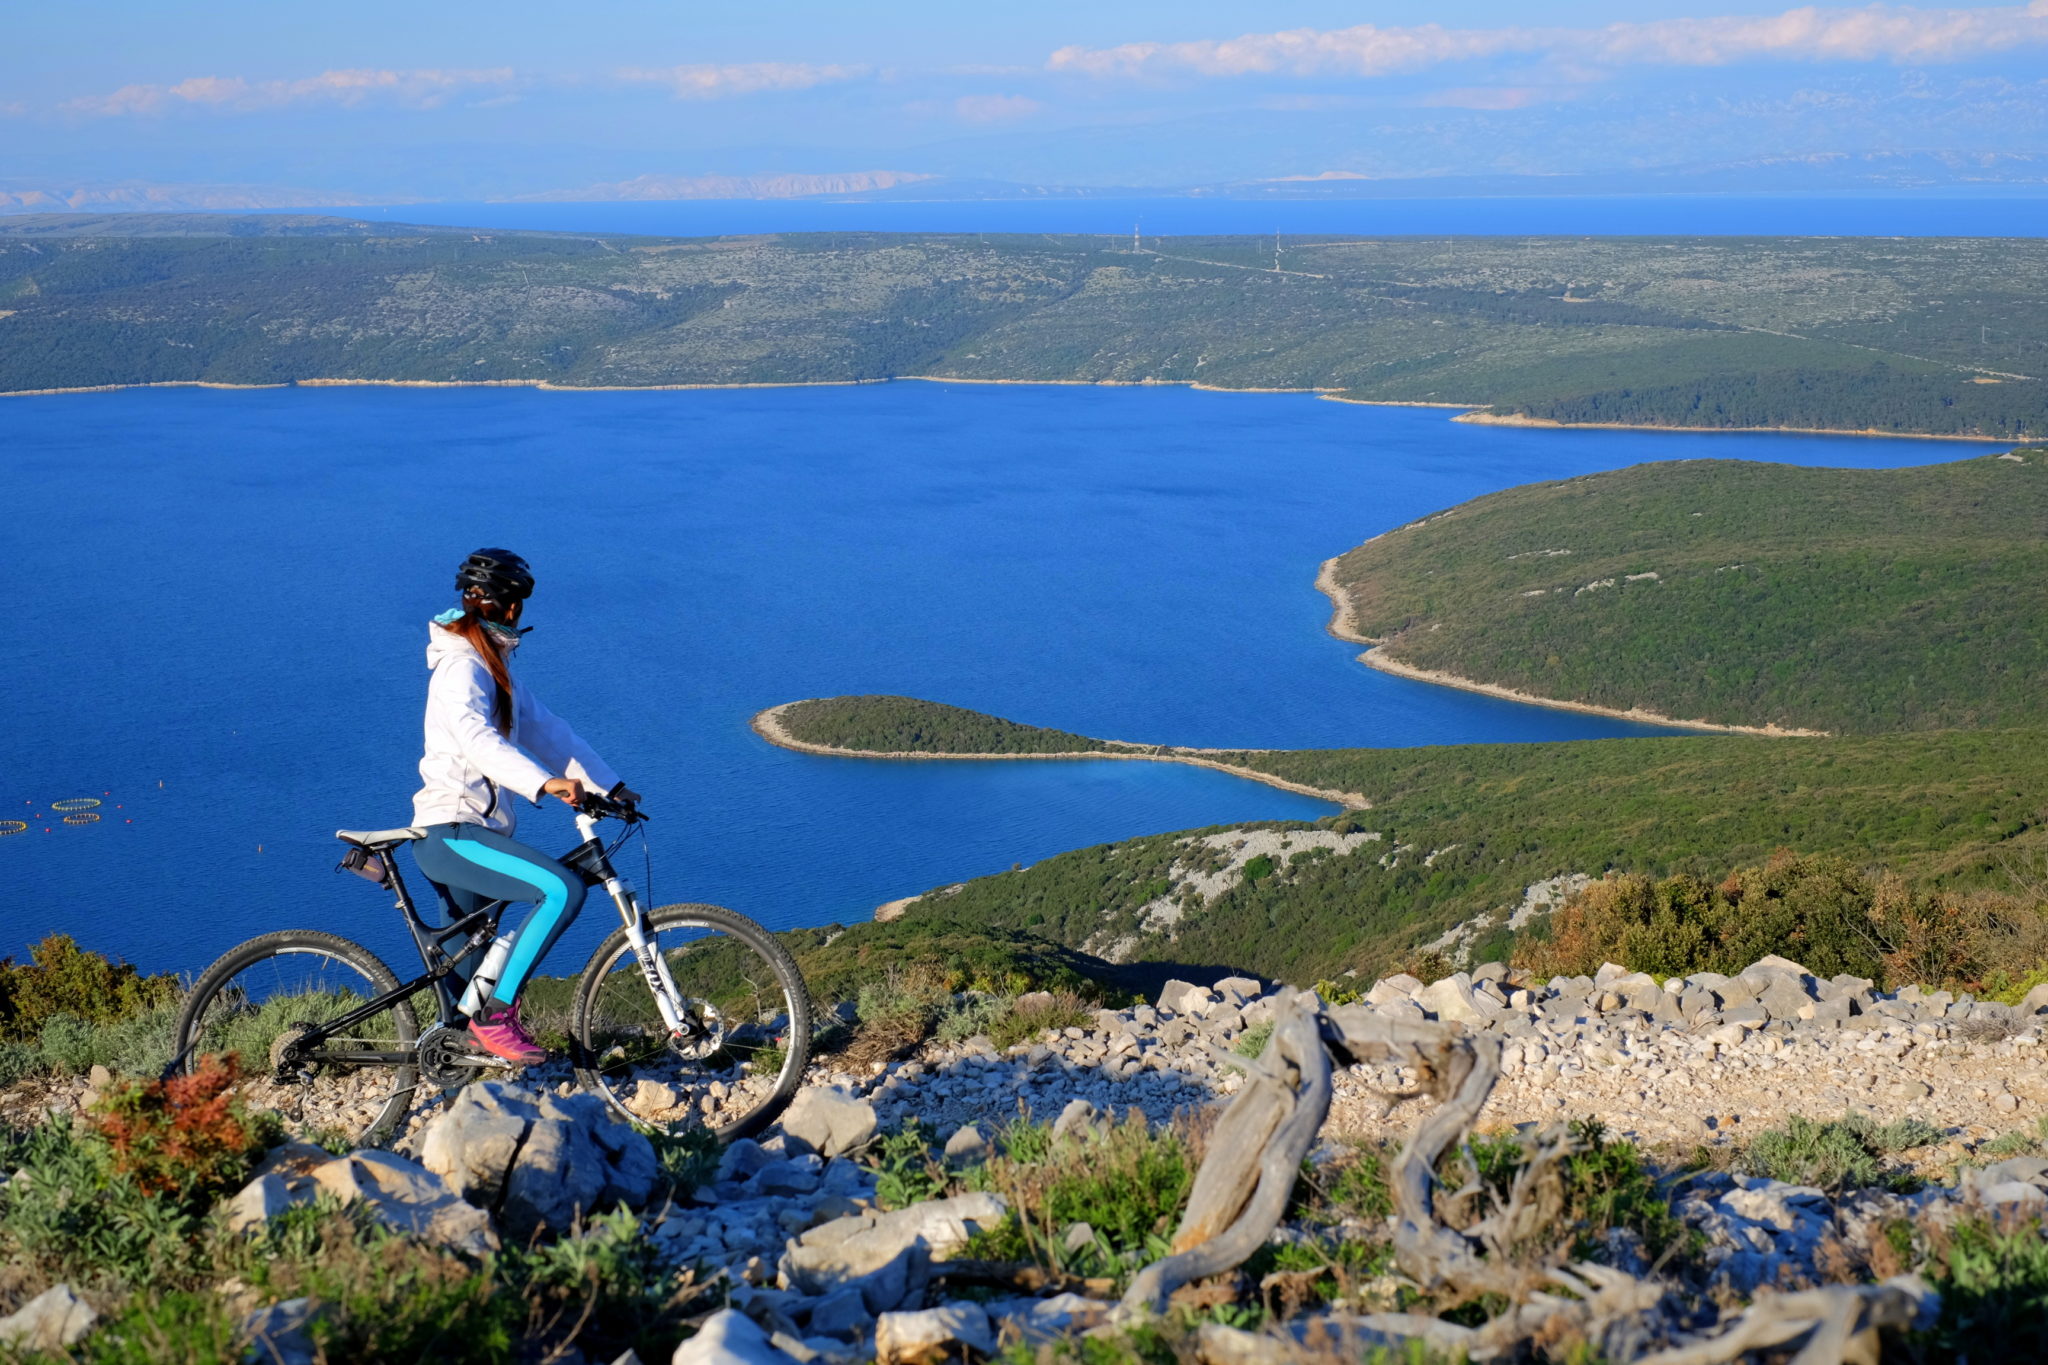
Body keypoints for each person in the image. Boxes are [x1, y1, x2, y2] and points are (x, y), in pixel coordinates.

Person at [409, 548, 636, 1066]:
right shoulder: (461, 668)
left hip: (470, 834)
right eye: (517, 604)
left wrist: (609, 785)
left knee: (462, 985)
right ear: (507, 608)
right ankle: (499, 1015)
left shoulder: (491, 667)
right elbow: (476, 741)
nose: (519, 615)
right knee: (560, 889)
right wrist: (544, 784)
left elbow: (547, 730)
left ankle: (459, 1066)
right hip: (452, 834)